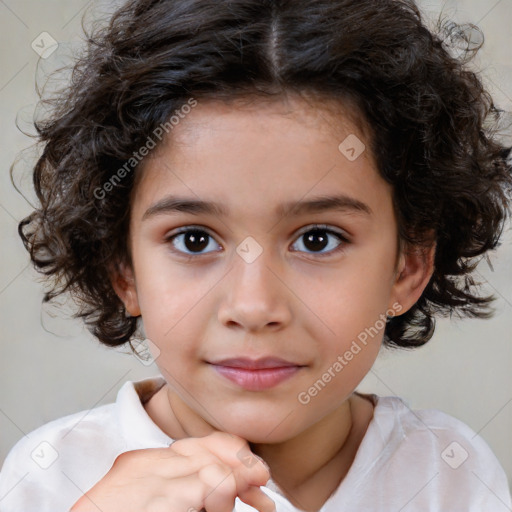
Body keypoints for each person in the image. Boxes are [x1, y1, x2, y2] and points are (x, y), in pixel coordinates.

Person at [1, 0, 511, 510]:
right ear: (123, 268)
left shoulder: (449, 474)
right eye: (194, 240)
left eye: (317, 239)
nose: (253, 307)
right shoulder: (52, 477)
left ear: (408, 267)